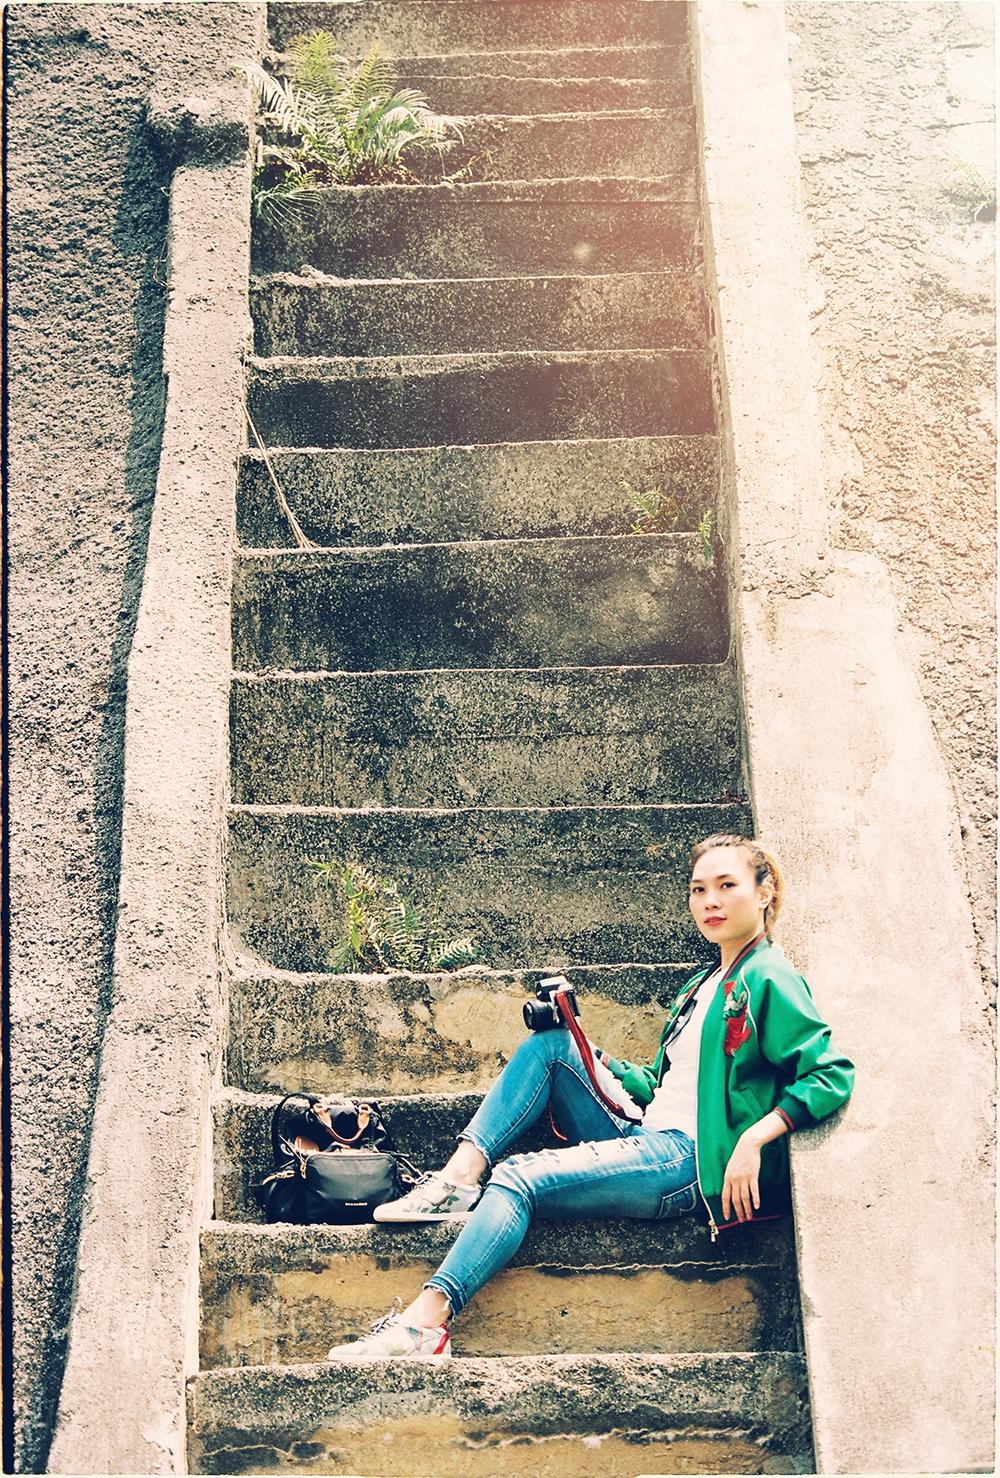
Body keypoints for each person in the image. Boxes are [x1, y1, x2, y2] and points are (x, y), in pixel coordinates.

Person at [325, 832, 855, 1360]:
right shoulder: (702, 984)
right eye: (698, 889)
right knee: (551, 1045)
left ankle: (425, 1325)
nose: (710, 901)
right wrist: (589, 1051)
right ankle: (458, 1179)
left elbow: (829, 1074)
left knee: (517, 1177)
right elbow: (661, 1083)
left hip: (686, 1159)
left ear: (764, 892)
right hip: (648, 1132)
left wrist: (755, 1139)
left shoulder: (769, 976)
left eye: (726, 886)